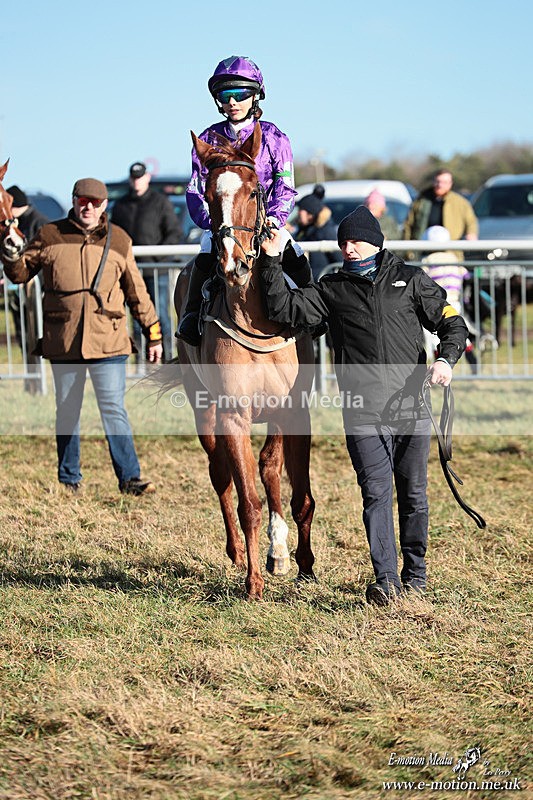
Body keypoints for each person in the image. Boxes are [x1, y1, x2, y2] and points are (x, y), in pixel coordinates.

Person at [258, 206, 468, 605]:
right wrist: (269, 260)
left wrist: (446, 359)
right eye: (343, 242)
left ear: (376, 241)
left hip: (412, 407)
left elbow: (451, 322)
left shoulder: (410, 280)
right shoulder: (331, 287)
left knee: (413, 494)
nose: (348, 248)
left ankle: (416, 575)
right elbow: (285, 310)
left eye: (355, 240)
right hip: (362, 410)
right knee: (374, 493)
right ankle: (386, 579)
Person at [0, 177, 163, 496]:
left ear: (104, 205)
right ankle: (68, 479)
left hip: (109, 341)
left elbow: (137, 292)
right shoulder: (49, 234)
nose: (88, 206)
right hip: (65, 339)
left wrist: (153, 333)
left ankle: (130, 478)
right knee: (68, 410)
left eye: (95, 201)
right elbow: (20, 274)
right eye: (82, 200)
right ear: (74, 200)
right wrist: (8, 253)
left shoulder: (120, 240)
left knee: (113, 408)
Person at [178, 55, 306, 346]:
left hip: (264, 222)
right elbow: (194, 190)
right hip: (222, 224)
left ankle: (313, 314)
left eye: (240, 94)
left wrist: (273, 220)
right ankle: (191, 315)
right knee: (206, 251)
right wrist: (216, 222)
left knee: (295, 253)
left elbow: (286, 187)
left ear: (256, 96)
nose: (232, 102)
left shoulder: (275, 137)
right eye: (225, 95)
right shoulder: (207, 139)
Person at [111, 162, 182, 361]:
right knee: (135, 317)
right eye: (133, 177)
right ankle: (142, 363)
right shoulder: (121, 205)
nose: (136, 181)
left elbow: (174, 233)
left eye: (140, 176)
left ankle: (168, 359)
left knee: (160, 315)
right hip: (130, 271)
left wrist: (156, 258)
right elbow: (114, 235)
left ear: (147, 178)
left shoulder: (160, 202)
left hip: (155, 270)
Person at [3, 187, 50, 392]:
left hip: (34, 288)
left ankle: (38, 380)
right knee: (22, 333)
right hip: (19, 288)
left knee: (35, 333)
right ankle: (31, 380)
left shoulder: (37, 222)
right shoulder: (15, 222)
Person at [421, 225, 478, 374]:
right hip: (454, 302)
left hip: (436, 304)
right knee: (458, 333)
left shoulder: (428, 259)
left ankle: (437, 369)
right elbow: (466, 275)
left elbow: (421, 278)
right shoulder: (454, 258)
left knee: (435, 338)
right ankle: (473, 361)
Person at [402, 169, 478, 257]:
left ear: (450, 183)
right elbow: (408, 225)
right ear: (433, 182)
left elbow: (471, 222)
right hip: (424, 253)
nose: (440, 185)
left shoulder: (460, 203)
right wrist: (408, 250)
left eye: (444, 182)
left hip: (451, 253)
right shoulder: (421, 201)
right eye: (438, 181)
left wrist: (471, 234)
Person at [294, 193, 339, 281]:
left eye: (300, 209)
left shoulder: (326, 231)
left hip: (320, 285)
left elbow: (338, 261)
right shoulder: (304, 230)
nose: (298, 212)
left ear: (310, 212)